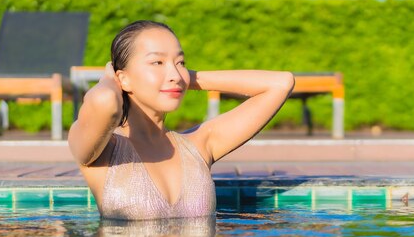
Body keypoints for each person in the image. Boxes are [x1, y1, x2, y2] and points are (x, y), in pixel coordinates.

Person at [68, 20, 294, 220]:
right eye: (157, 62)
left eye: (181, 62)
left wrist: (188, 79)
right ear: (122, 79)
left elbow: (280, 83)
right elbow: (106, 100)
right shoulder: (99, 151)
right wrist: (111, 77)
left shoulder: (199, 144)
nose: (175, 74)